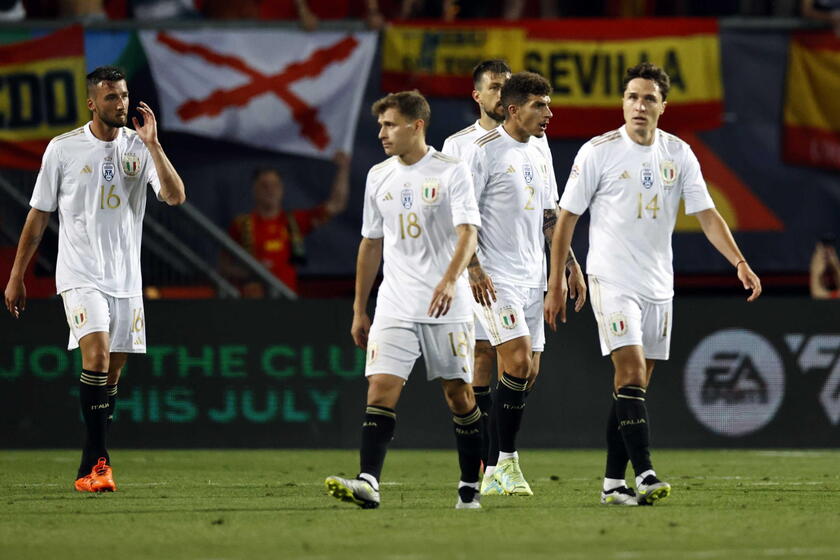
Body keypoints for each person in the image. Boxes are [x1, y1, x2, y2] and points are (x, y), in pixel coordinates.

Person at [544, 62, 762, 506]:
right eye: (631, 97)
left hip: (659, 284)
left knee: (634, 386)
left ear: (663, 105)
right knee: (630, 372)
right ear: (622, 103)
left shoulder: (678, 154)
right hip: (612, 278)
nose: (638, 106)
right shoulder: (598, 151)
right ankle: (644, 472)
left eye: (647, 98)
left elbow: (707, 214)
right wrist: (558, 278)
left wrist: (739, 261)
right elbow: (566, 218)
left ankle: (611, 484)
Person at [3, 65, 186, 492]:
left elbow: (175, 196)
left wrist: (154, 145)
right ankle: (101, 463)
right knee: (98, 357)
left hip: (126, 277)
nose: (120, 103)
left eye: (123, 95)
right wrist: (17, 275)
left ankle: (88, 465)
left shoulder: (138, 148)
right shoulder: (62, 149)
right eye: (110, 97)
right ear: (92, 103)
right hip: (80, 273)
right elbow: (38, 216)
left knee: (112, 375)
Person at [324, 90, 484, 509]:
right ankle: (368, 482)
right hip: (395, 303)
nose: (382, 133)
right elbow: (370, 243)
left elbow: (469, 233)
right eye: (379, 125)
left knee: (459, 394)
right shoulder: (379, 175)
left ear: (417, 126)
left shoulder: (451, 172)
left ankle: (470, 484)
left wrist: (450, 281)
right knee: (380, 388)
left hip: (446, 306)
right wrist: (361, 308)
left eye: (390, 124)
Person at [443, 61, 585, 494]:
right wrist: (472, 268)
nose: (549, 114)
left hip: (531, 276)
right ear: (513, 109)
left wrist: (568, 263)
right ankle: (503, 463)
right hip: (493, 276)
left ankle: (489, 470)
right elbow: (460, 215)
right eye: (540, 106)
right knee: (513, 361)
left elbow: (549, 215)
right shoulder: (479, 151)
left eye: (548, 105)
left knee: (528, 371)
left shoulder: (541, 150)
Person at [223, 154, 349, 296]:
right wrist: (252, 271)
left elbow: (337, 204)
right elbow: (224, 268)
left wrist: (343, 168)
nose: (270, 190)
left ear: (282, 189)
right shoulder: (241, 225)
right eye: (264, 185)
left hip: (286, 302)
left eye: (275, 185)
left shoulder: (293, 222)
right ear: (254, 190)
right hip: (252, 303)